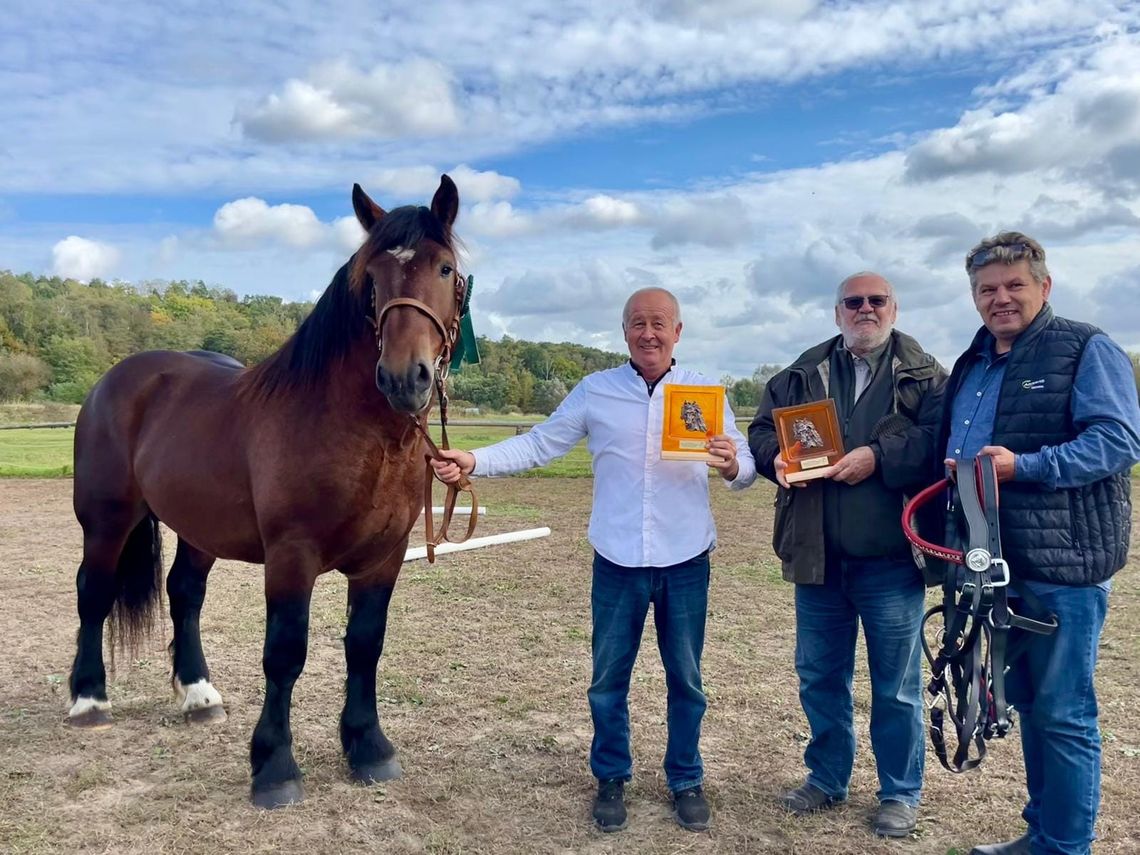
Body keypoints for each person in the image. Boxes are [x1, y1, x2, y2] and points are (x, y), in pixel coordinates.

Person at [430, 287, 756, 833]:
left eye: (659, 323)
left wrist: (730, 466)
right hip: (617, 560)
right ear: (624, 331)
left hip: (685, 559)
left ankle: (686, 777)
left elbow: (744, 465)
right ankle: (611, 775)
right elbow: (539, 444)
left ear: (678, 331)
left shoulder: (703, 393)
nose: (647, 333)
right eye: (637, 323)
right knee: (608, 680)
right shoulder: (595, 391)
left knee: (687, 678)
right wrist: (474, 460)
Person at [927, 233, 1140, 855]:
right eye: (987, 289)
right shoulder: (970, 364)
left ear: (1043, 287)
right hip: (990, 560)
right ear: (973, 297)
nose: (1001, 298)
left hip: (1062, 563)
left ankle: (1066, 845)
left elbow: (1118, 441)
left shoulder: (1084, 347)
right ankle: (1043, 833)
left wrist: (1029, 466)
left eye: (1014, 285)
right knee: (1023, 701)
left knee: (1063, 711)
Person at [748, 272, 946, 839]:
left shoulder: (928, 377)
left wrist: (878, 456)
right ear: (837, 312)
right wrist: (775, 461)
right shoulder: (798, 373)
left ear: (894, 308)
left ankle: (899, 793)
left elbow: (938, 440)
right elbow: (762, 433)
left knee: (897, 686)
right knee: (819, 678)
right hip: (817, 557)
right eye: (853, 302)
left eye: (876, 301)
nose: (865, 309)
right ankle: (827, 779)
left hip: (891, 561)